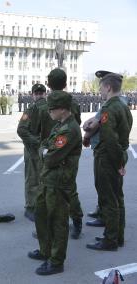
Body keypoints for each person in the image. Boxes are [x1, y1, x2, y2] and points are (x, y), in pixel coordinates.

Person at [29, 90, 82, 275]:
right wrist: (45, 151)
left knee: (58, 222)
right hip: (48, 180)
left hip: (59, 183)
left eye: (52, 109)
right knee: (41, 216)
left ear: (63, 109)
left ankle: (57, 261)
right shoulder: (59, 125)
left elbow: (50, 158)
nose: (49, 112)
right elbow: (43, 145)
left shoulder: (69, 129)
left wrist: (45, 152)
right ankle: (46, 251)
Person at [86, 71, 133, 251]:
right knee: (117, 198)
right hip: (117, 156)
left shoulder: (109, 108)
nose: (100, 91)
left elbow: (109, 139)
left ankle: (110, 239)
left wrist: (117, 162)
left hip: (107, 158)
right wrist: (121, 160)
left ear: (108, 87)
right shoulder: (123, 106)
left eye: (101, 87)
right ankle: (117, 236)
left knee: (108, 199)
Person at [17, 83, 47, 222]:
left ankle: (40, 205)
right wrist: (37, 142)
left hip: (44, 150)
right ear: (33, 95)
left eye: (41, 93)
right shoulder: (30, 110)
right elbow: (21, 130)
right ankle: (30, 207)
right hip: (33, 150)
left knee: (42, 179)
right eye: (37, 93)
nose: (39, 95)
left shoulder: (48, 108)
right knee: (32, 179)